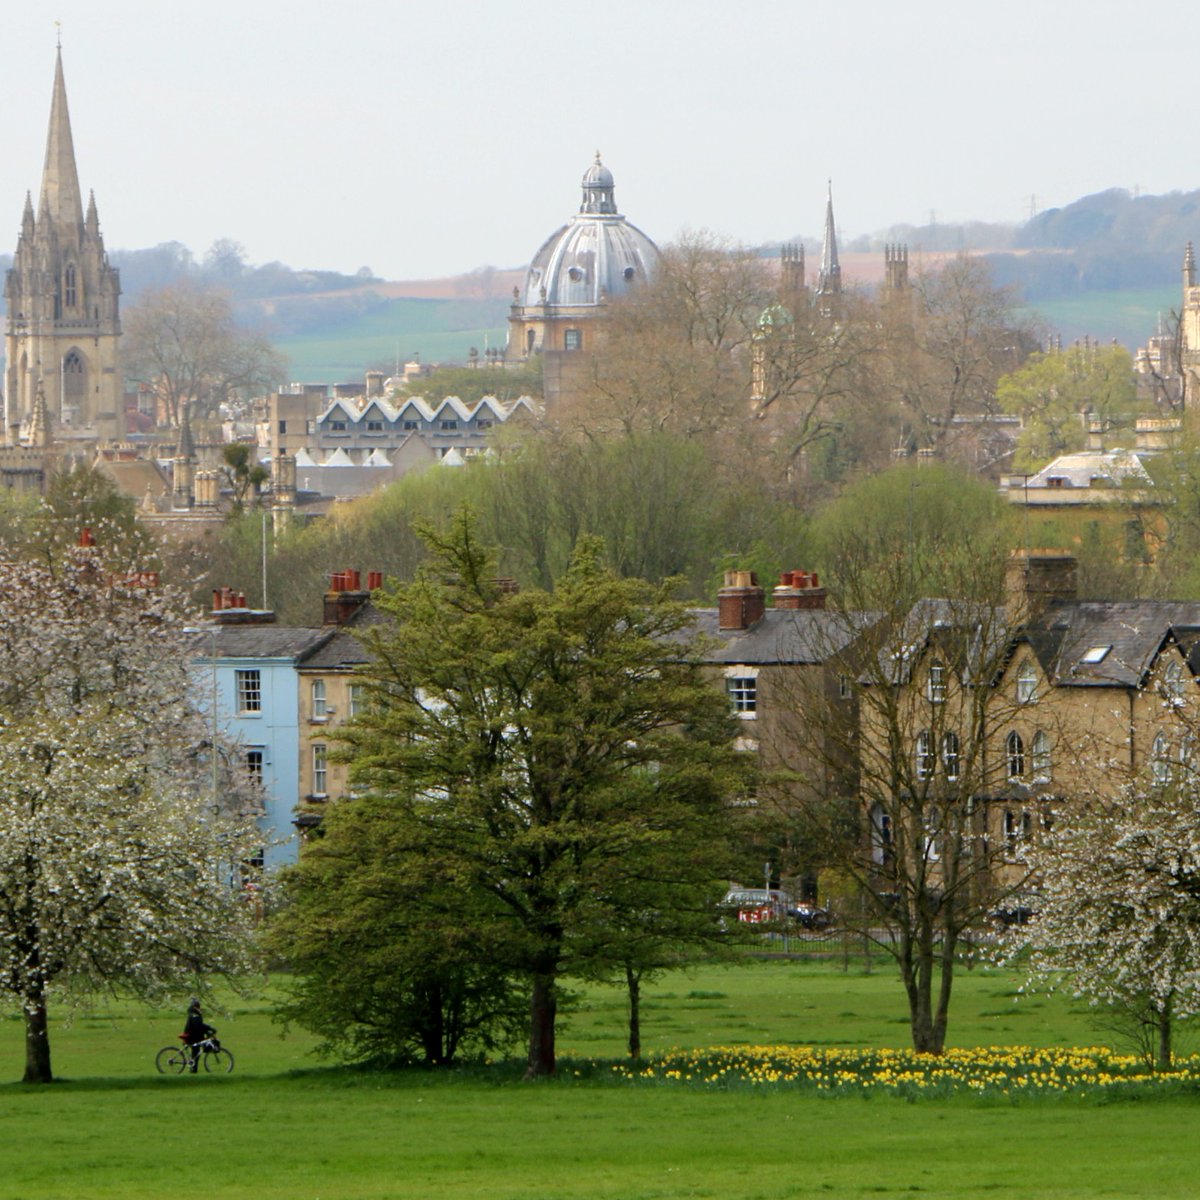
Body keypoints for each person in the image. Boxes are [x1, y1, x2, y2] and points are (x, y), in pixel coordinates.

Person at [182, 998, 215, 1073]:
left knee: (196, 1052)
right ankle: (193, 1069)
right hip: (193, 1037)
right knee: (196, 1052)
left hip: (193, 1036)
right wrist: (209, 1028)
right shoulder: (194, 1015)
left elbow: (199, 1025)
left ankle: (194, 1069)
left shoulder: (193, 1013)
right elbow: (198, 1025)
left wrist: (207, 1029)